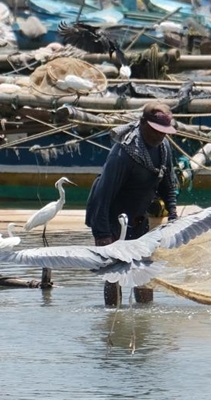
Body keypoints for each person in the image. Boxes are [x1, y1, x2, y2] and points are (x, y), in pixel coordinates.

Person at [85, 101, 179, 306]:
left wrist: (173, 214)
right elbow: (103, 194)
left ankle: (145, 316)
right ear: (143, 123)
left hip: (138, 216)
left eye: (164, 132)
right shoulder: (124, 152)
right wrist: (103, 235)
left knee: (144, 272)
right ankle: (112, 318)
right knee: (114, 272)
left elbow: (167, 183)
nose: (160, 136)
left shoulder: (163, 147)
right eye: (155, 131)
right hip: (110, 217)